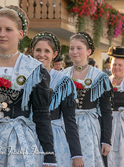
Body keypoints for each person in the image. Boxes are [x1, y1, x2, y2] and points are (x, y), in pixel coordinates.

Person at [0, 5, 56, 166]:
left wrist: (49, 155)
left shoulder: (34, 70)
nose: (2, 34)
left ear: (20, 34)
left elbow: (41, 114)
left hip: (18, 142)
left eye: (8, 29)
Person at [31, 31, 84, 167]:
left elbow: (69, 120)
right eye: (38, 50)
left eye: (46, 51)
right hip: (27, 135)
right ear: (32, 52)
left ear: (54, 55)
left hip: (55, 138)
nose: (41, 54)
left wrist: (76, 154)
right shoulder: (23, 77)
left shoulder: (63, 82)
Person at [62, 32, 112, 167]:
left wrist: (106, 140)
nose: (74, 52)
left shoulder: (99, 77)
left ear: (88, 51)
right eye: (72, 48)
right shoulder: (62, 75)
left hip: (88, 128)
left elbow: (106, 110)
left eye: (79, 48)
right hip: (65, 125)